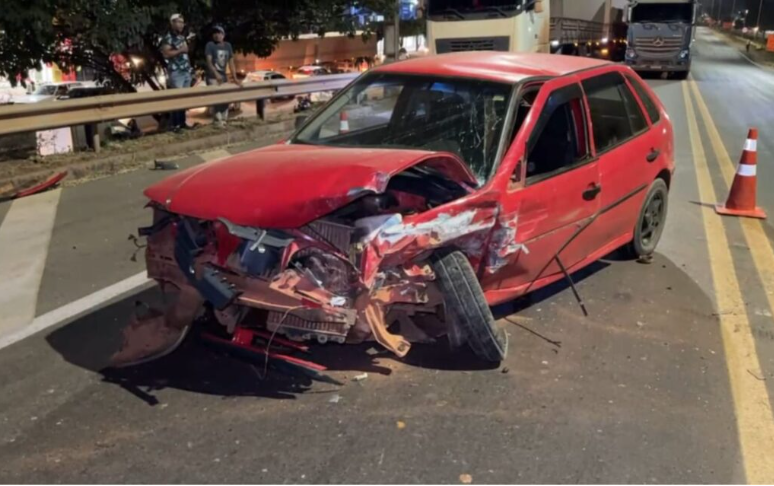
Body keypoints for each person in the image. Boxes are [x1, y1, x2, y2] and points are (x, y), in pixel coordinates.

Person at [160, 13, 194, 132]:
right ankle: (175, 125)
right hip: (176, 71)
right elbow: (166, 53)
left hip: (185, 71)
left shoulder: (181, 37)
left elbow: (186, 54)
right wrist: (180, 50)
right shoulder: (168, 37)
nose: (181, 24)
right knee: (177, 98)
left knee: (184, 99)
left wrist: (190, 68)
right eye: (178, 22)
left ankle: (182, 123)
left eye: (182, 22)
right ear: (172, 23)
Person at [205, 24, 242, 127]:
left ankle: (224, 120)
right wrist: (216, 74)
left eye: (219, 33)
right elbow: (209, 62)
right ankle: (217, 121)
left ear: (223, 35)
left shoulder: (228, 46)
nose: (216, 35)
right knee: (216, 99)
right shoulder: (210, 45)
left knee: (226, 98)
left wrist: (235, 78)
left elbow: (231, 63)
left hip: (223, 77)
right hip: (212, 77)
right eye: (215, 33)